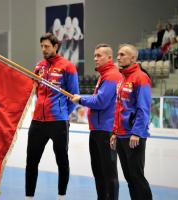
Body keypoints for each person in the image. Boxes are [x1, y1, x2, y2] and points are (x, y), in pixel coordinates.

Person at [25, 33, 79, 200]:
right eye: (42, 46)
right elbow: (32, 91)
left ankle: (61, 196)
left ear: (56, 46)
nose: (43, 49)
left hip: (58, 122)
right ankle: (29, 197)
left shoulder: (67, 66)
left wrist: (62, 113)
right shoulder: (39, 66)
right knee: (31, 162)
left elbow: (74, 96)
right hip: (37, 122)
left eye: (47, 46)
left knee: (62, 162)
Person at [71, 44, 122, 200]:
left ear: (109, 58)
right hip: (97, 130)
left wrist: (81, 99)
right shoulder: (104, 76)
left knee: (108, 173)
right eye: (94, 55)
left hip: (106, 130)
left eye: (99, 55)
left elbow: (101, 101)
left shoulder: (112, 76)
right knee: (99, 172)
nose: (95, 59)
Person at [111, 44, 152, 200]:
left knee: (137, 177)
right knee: (129, 178)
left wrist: (137, 132)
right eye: (118, 54)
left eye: (122, 54)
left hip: (134, 136)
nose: (118, 57)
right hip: (121, 135)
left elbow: (143, 108)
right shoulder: (122, 79)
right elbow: (118, 107)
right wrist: (114, 131)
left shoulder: (141, 77)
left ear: (133, 58)